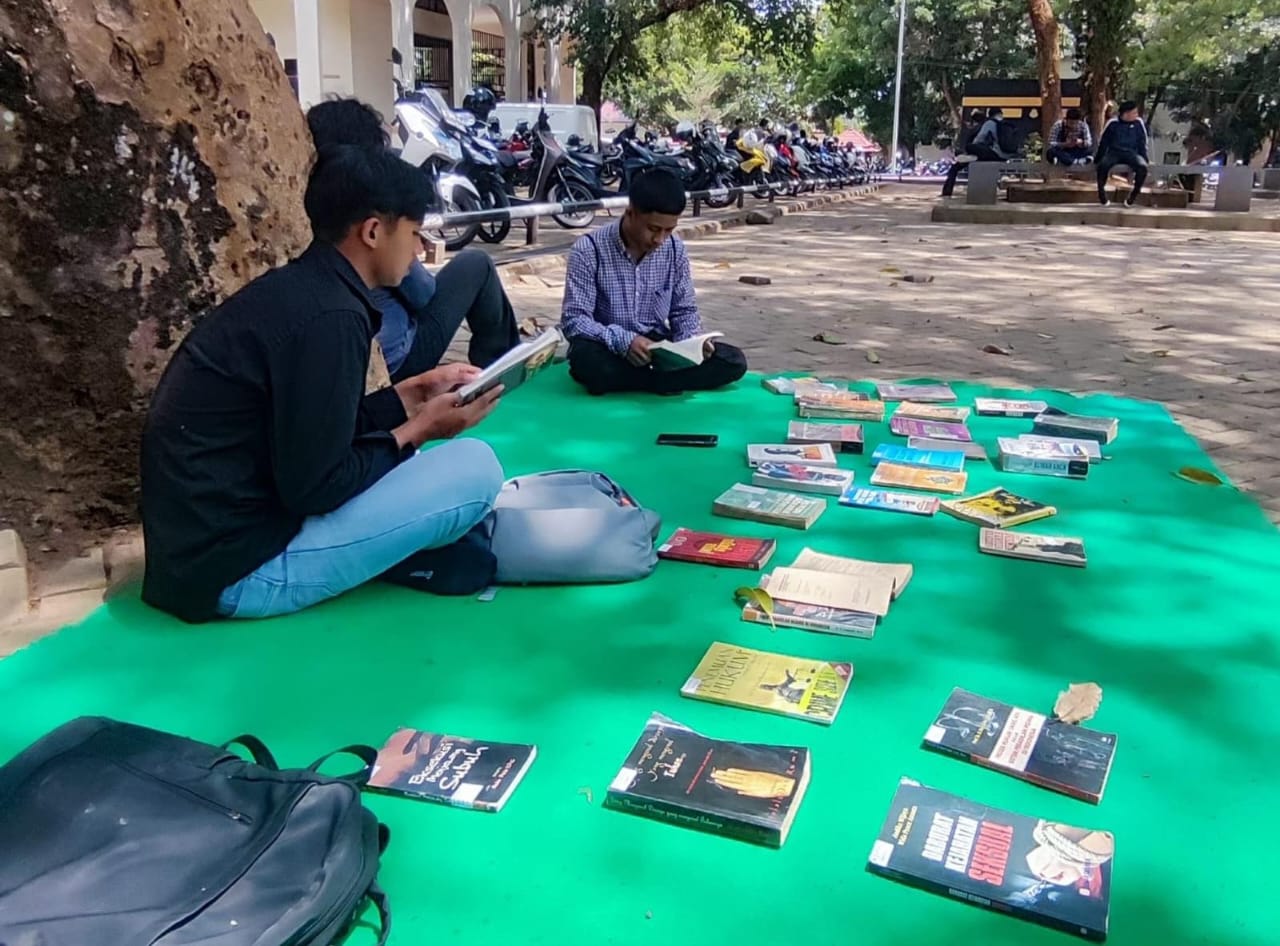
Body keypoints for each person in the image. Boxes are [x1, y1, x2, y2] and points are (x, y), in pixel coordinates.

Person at [140, 146, 506, 623]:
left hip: (197, 556)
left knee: (411, 461)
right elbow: (316, 487)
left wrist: (410, 396)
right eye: (414, 235)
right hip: (240, 570)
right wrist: (419, 429)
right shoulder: (332, 318)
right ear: (373, 231)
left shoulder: (306, 290)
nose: (419, 252)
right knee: (475, 468)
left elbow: (317, 432)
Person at [306, 98, 520, 379]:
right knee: (475, 263)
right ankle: (500, 369)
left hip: (356, 353)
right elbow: (422, 293)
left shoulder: (311, 204)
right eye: (414, 235)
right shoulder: (371, 209)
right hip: (396, 356)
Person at [559, 169, 748, 395]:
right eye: (653, 229)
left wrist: (693, 344)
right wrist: (625, 341)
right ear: (630, 213)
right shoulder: (588, 250)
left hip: (657, 347)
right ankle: (666, 381)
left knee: (733, 361)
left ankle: (647, 381)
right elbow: (575, 321)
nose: (660, 240)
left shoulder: (674, 249)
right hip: (610, 347)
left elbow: (684, 310)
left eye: (669, 230)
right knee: (587, 361)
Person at [1095, 100, 1149, 206]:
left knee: (1142, 167)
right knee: (1103, 166)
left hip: (1132, 153)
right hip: (1114, 152)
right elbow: (1104, 141)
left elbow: (1142, 141)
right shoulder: (1113, 123)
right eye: (1134, 113)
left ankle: (1133, 196)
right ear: (1126, 113)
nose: (1136, 115)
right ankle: (1102, 194)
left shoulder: (1138, 123)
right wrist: (1098, 157)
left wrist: (1144, 158)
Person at [940, 109, 989, 197]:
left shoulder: (976, 130)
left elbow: (971, 144)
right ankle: (946, 191)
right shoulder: (984, 127)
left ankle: (947, 191)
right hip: (980, 154)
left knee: (954, 169)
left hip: (974, 155)